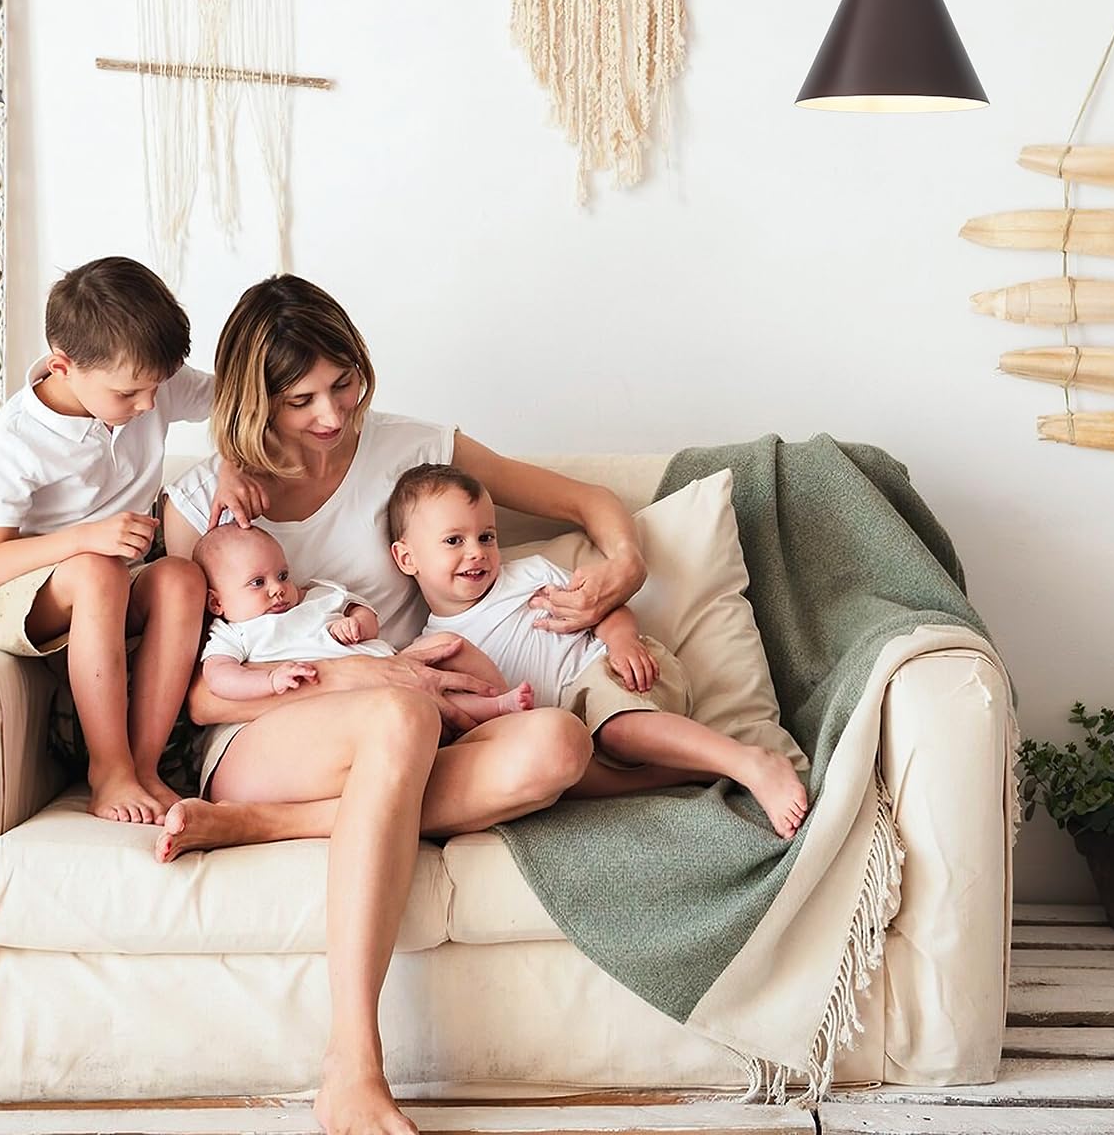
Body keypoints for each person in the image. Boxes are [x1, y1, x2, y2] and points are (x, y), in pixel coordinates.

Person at [157, 273, 669, 1135]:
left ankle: (265, 827)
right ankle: (352, 1063)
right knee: (403, 714)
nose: (332, 415)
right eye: (300, 400)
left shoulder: (414, 447)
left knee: (557, 744)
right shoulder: (208, 500)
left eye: (344, 384)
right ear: (253, 399)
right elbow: (200, 698)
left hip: (411, 727)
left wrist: (625, 567)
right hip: (268, 733)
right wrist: (372, 680)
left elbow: (586, 503)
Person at [0, 256, 252, 825]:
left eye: (156, 388)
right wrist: (88, 538)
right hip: (16, 589)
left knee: (182, 577)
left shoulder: (147, 383)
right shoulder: (18, 436)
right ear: (63, 366)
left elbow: (237, 402)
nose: (148, 405)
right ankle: (108, 770)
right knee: (97, 569)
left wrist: (232, 464)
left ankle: (144, 766)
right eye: (129, 393)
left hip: (115, 575)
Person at [388, 463, 809, 839]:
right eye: (454, 540)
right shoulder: (430, 651)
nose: (476, 552)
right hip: (569, 731)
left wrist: (622, 641)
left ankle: (748, 762)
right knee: (563, 774)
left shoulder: (528, 577)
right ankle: (682, 771)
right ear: (407, 558)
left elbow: (607, 609)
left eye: (486, 536)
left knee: (617, 731)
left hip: (612, 670)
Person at [193, 521, 534, 723]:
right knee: (416, 702)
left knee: (448, 646)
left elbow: (367, 615)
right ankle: (490, 710)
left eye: (282, 575)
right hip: (339, 704)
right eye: (257, 583)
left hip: (394, 665)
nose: (277, 589)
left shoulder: (316, 596)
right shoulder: (234, 632)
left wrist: (357, 623)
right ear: (217, 602)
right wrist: (270, 680)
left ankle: (496, 700)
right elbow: (220, 678)